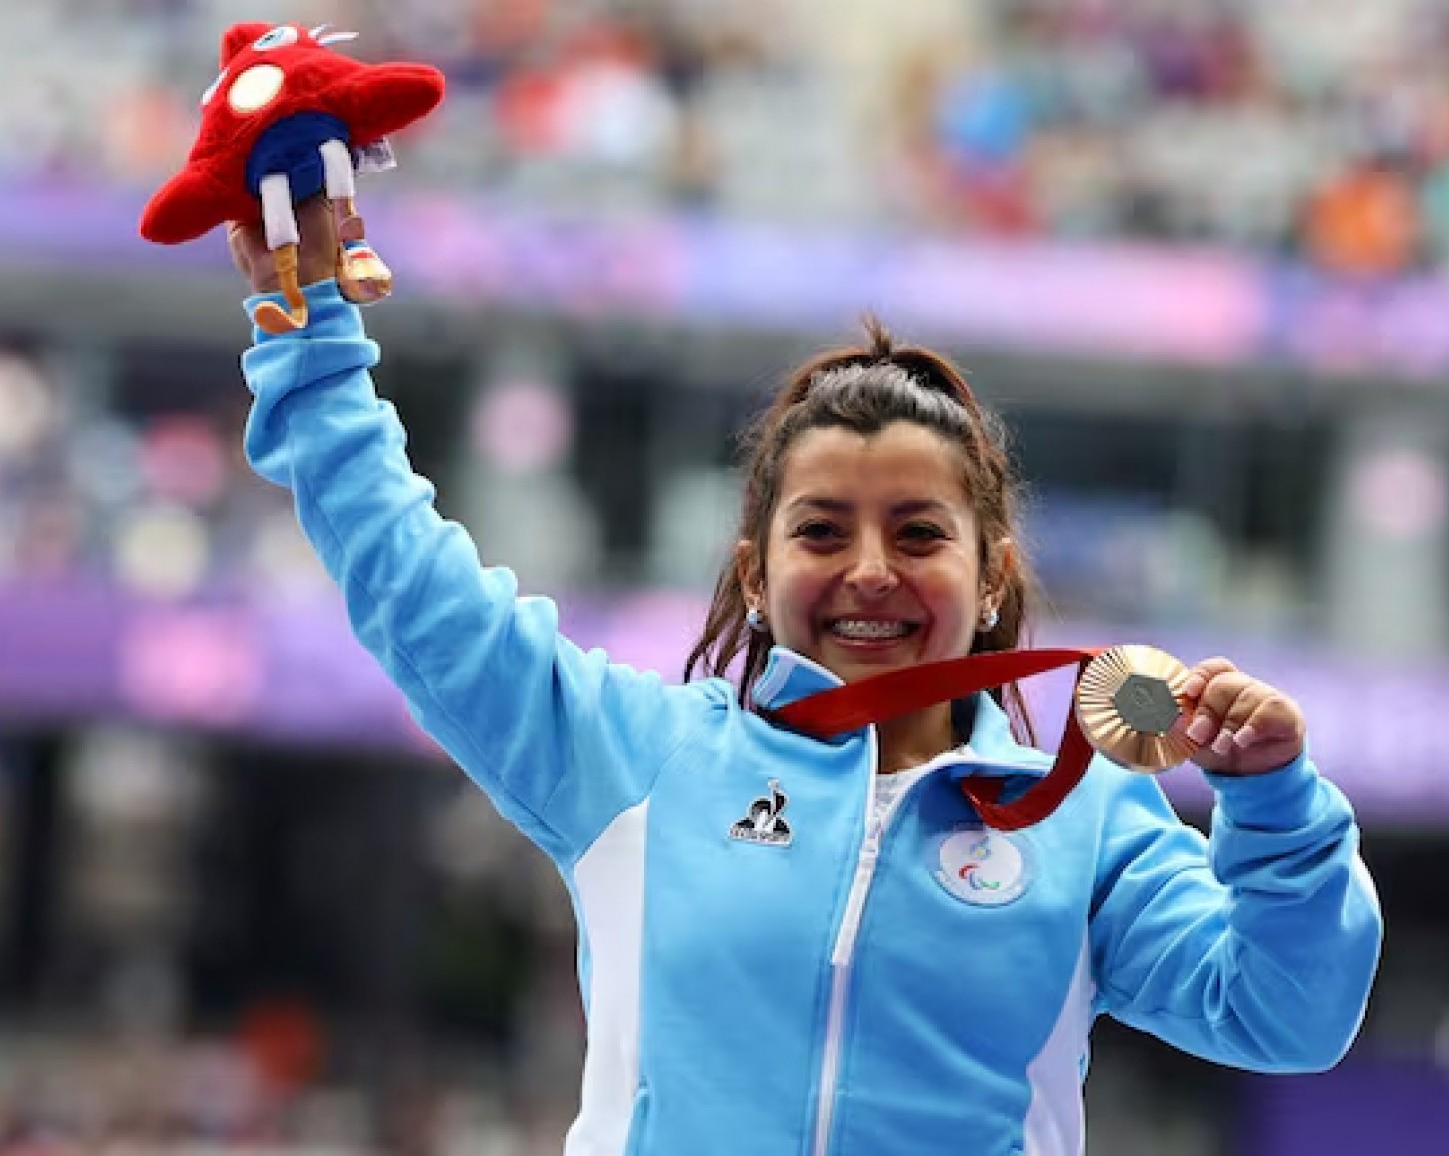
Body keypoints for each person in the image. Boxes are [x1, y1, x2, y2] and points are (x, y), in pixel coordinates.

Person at [229, 198, 1382, 1156]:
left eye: (920, 535)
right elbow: (413, 589)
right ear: (756, 569)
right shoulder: (640, 760)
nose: (869, 573)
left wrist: (1276, 808)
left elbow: (1285, 1015)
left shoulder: (1085, 817)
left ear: (992, 577)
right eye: (822, 531)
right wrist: (312, 342)